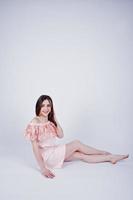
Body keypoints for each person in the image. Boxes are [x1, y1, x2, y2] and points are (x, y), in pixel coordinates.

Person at [24, 95, 129, 179]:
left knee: (80, 155)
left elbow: (61, 135)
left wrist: (54, 118)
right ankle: (102, 152)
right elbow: (35, 148)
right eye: (43, 105)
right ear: (39, 106)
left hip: (54, 152)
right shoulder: (35, 122)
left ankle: (110, 158)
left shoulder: (49, 122)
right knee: (76, 144)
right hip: (48, 156)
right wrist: (43, 169)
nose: (46, 108)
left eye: (48, 106)